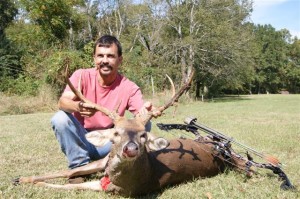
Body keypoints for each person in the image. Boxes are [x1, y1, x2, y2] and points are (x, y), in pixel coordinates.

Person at [51, 35, 156, 171]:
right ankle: (79, 167)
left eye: (110, 56)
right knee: (60, 118)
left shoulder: (129, 87)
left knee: (145, 124)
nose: (104, 61)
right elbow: (62, 102)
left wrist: (148, 111)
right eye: (100, 56)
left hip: (109, 142)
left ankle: (120, 161)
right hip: (81, 139)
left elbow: (141, 113)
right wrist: (78, 106)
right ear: (94, 58)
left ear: (120, 60)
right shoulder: (81, 76)